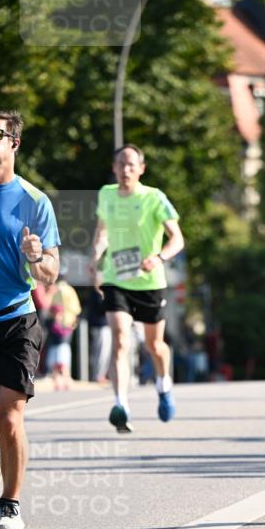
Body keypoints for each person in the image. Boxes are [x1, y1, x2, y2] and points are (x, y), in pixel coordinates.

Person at [0, 108, 60, 529]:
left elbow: (50, 272)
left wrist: (35, 256)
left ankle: (10, 505)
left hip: (16, 318)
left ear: (13, 142)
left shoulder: (35, 202)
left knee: (10, 415)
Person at [87, 144, 184, 432]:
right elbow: (102, 232)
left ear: (141, 169)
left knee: (154, 346)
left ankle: (164, 385)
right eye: (121, 164)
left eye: (131, 165)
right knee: (120, 339)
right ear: (114, 168)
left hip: (149, 282)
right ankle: (121, 404)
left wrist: (159, 257)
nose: (126, 169)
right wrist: (95, 257)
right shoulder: (105, 194)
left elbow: (177, 239)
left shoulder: (155, 197)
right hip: (117, 278)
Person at [45, 274, 81, 390]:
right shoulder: (70, 290)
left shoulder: (55, 290)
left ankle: (59, 381)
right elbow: (76, 309)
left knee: (57, 358)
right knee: (63, 357)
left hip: (56, 326)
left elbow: (49, 306)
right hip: (67, 325)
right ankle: (65, 380)